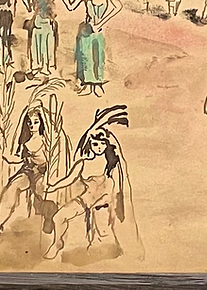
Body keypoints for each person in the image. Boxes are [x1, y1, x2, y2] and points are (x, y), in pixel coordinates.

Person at [43, 105, 141, 260]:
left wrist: (105, 200)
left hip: (103, 202)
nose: (99, 147)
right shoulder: (84, 162)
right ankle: (57, 243)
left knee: (103, 232)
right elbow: (70, 178)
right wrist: (54, 186)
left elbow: (112, 186)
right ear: (90, 143)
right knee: (58, 217)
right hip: (85, 200)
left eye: (102, 144)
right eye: (95, 144)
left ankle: (113, 252)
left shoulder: (110, 163)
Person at [0, 87, 70, 239]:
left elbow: (55, 156)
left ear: (41, 122)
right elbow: (18, 157)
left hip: (44, 171)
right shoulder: (25, 139)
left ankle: (51, 222)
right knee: (11, 189)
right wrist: (9, 158)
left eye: (36, 122)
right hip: (29, 170)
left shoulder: (47, 138)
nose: (32, 125)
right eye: (29, 122)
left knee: (43, 195)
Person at [61, 0, 121, 96]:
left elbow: (118, 6)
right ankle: (87, 85)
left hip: (99, 32)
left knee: (98, 57)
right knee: (86, 58)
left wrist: (101, 23)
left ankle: (97, 85)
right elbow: (70, 6)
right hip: (86, 31)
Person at [22, 0, 59, 76]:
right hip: (38, 21)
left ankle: (46, 66)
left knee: (47, 45)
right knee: (36, 44)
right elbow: (31, 6)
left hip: (48, 22)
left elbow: (54, 9)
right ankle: (36, 66)